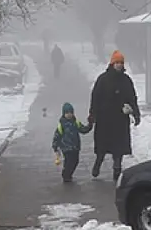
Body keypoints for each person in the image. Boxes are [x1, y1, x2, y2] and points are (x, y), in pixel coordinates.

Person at [88, 49, 140, 182]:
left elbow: (132, 98)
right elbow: (95, 97)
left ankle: (117, 168)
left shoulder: (126, 80)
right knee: (102, 144)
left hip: (120, 119)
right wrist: (92, 114)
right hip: (104, 118)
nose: (119, 65)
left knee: (119, 145)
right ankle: (98, 163)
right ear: (112, 63)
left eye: (121, 62)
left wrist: (135, 113)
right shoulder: (103, 79)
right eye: (116, 62)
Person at [51, 102, 92, 183]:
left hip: (75, 146)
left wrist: (90, 125)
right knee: (69, 161)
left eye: (71, 113)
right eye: (67, 113)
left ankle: (69, 174)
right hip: (66, 147)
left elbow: (83, 129)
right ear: (63, 114)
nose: (69, 114)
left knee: (76, 161)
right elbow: (57, 136)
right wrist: (55, 147)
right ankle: (66, 175)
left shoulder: (76, 122)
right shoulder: (61, 125)